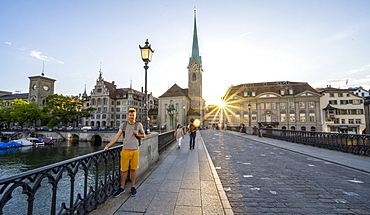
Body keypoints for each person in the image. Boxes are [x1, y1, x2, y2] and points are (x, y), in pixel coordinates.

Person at [104, 108, 145, 197]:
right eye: (130, 115)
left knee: (134, 169)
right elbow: (117, 136)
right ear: (128, 115)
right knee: (124, 170)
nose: (131, 116)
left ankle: (133, 187)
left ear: (135, 115)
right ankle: (122, 187)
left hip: (135, 150)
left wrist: (137, 134)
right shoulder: (124, 125)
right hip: (125, 150)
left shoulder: (138, 125)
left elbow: (143, 135)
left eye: (133, 115)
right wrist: (107, 146)